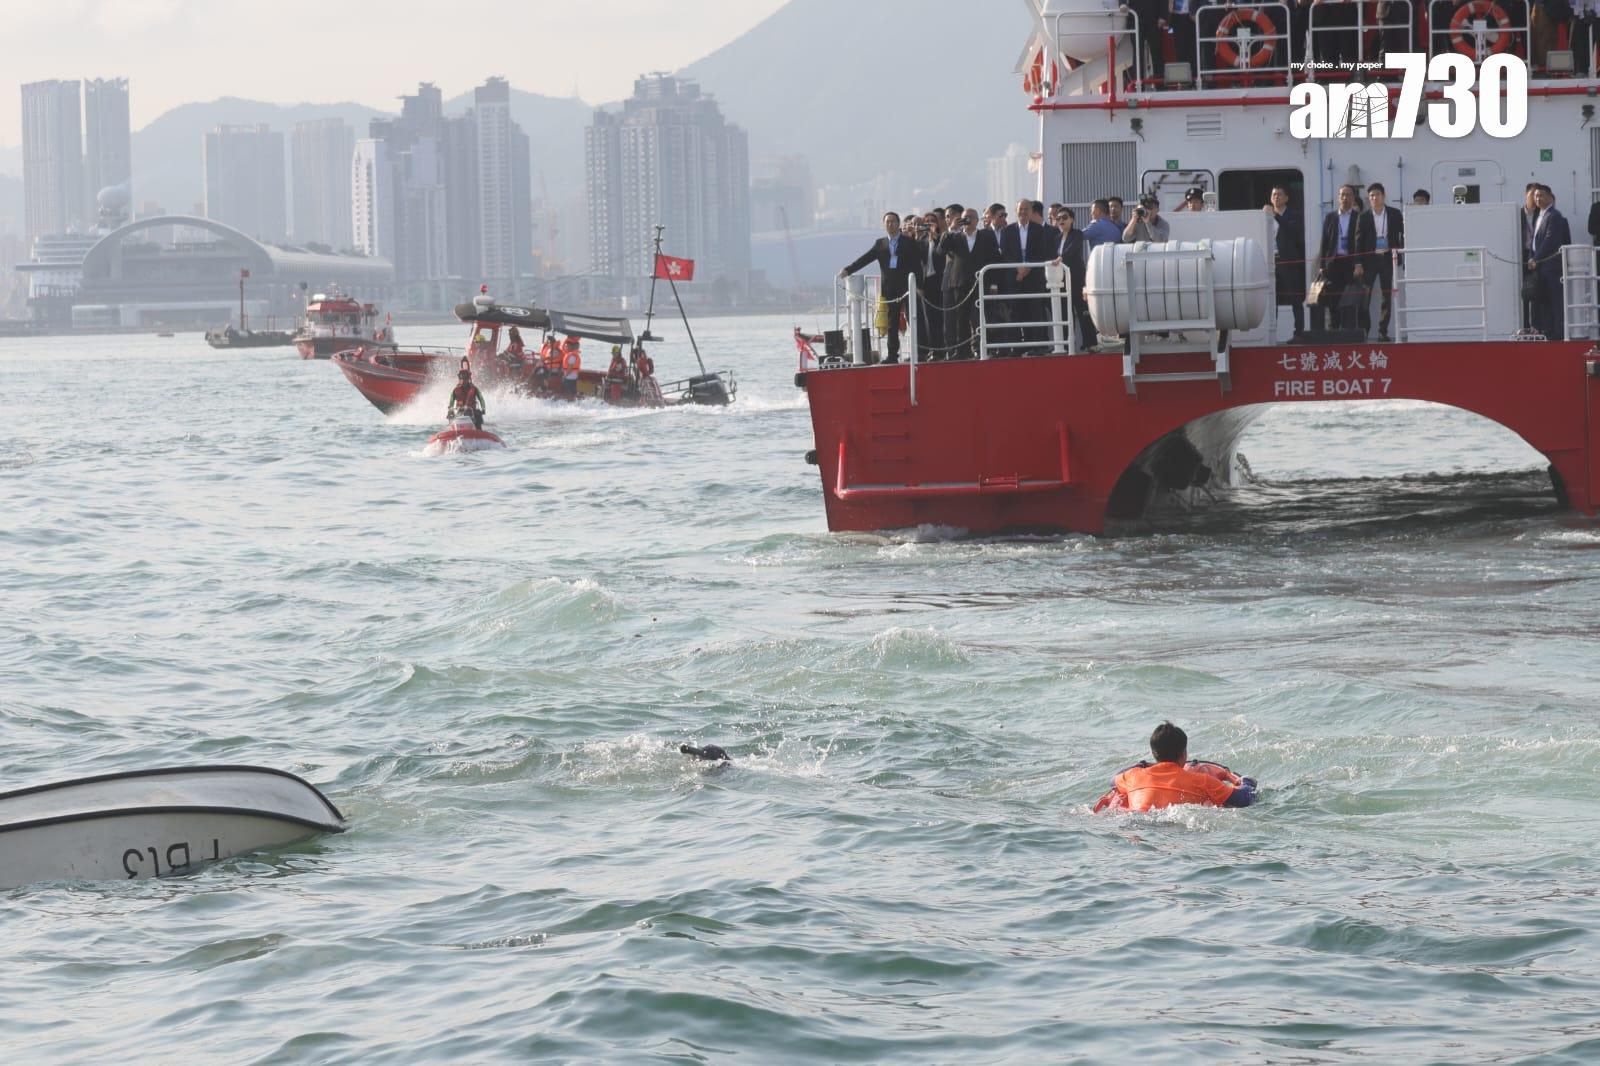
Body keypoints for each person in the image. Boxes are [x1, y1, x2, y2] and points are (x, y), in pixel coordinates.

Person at [1093, 722, 1258, 812]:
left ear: (1153, 753)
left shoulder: (1133, 776)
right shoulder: (1202, 780)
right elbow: (1243, 800)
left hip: (1137, 826)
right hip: (1178, 826)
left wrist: (1141, 765)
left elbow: (1112, 781)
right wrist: (1247, 783)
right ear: (1183, 755)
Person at [839, 212, 924, 364]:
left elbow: (917, 265)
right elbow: (865, 259)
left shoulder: (908, 242)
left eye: (892, 222)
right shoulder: (881, 244)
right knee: (892, 323)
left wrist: (919, 285)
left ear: (898, 224)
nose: (889, 225)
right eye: (887, 222)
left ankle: (920, 352)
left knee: (913, 319)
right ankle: (892, 355)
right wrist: (848, 270)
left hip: (907, 286)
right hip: (889, 288)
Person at [1000, 198, 1060, 354]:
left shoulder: (1039, 229)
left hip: (1034, 277)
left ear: (1031, 211)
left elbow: (1041, 252)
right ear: (1016, 211)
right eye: (1021, 209)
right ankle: (1018, 347)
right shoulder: (1008, 231)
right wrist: (1018, 270)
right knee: (1016, 312)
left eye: (1026, 209)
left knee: (1035, 312)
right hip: (1015, 278)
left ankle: (1037, 346)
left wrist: (1027, 269)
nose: (1023, 212)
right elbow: (1005, 253)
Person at [1314, 184, 1370, 331]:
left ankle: (1350, 330)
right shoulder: (1330, 217)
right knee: (1333, 298)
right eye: (1342, 195)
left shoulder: (1359, 217)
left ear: (1353, 198)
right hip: (1334, 263)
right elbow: (1324, 242)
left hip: (1351, 264)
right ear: (1338, 198)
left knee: (1352, 299)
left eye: (1348, 195)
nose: (1345, 198)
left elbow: (1363, 243)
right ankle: (1334, 328)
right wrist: (1322, 265)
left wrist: (1360, 264)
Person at [1358, 183, 1404, 340]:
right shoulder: (1363, 217)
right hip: (1369, 261)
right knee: (1365, 297)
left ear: (1383, 196)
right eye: (1371, 196)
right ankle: (1365, 330)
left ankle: (1382, 332)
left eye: (1377, 194)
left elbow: (1404, 235)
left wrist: (1401, 254)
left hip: (1387, 259)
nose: (1374, 198)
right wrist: (1358, 263)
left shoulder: (1395, 214)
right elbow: (1358, 241)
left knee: (1386, 296)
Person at [1529, 184, 1572, 339]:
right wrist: (1531, 257)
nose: (1537, 198)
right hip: (1540, 267)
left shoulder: (1554, 215)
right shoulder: (1539, 216)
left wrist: (1536, 258)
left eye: (1540, 195)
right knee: (1543, 300)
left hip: (1551, 267)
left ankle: (1557, 335)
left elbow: (1550, 240)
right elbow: (1535, 241)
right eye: (1535, 196)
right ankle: (1547, 332)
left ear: (1549, 197)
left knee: (1555, 301)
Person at [1051, 205, 1094, 351]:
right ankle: (1066, 345)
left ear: (1072, 220)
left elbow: (1072, 250)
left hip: (1076, 278)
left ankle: (1090, 343)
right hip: (1060, 280)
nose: (1061, 220)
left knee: (1082, 311)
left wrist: (1060, 259)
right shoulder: (1056, 237)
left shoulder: (1077, 234)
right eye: (1058, 218)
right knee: (1064, 312)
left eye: (1064, 217)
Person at [1267, 185, 1306, 336]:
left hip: (1289, 262)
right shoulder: (1266, 216)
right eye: (1274, 194)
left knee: (1295, 298)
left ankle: (1299, 332)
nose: (1276, 197)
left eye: (1279, 194)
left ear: (1286, 198)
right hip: (1272, 261)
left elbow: (1292, 232)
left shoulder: (1294, 215)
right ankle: (1272, 333)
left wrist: (1275, 216)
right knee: (1272, 299)